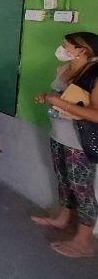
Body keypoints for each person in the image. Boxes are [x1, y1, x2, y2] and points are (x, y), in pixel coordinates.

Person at [32, 32, 98, 258]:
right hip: (58, 133)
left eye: (66, 45)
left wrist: (57, 102)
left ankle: (85, 240)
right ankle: (63, 218)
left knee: (81, 188)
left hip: (79, 142)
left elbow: (95, 114)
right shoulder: (65, 70)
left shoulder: (95, 74)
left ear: (83, 50)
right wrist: (47, 97)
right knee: (63, 179)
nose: (61, 49)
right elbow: (63, 95)